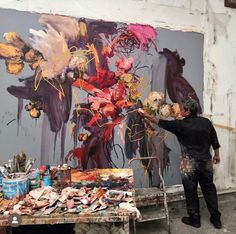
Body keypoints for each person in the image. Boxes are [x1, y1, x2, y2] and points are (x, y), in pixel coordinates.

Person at [157, 98, 222, 229]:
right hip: (205, 161)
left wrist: (146, 115)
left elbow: (158, 122)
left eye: (182, 109)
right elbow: (214, 139)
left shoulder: (179, 125)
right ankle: (216, 220)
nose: (180, 111)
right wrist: (217, 155)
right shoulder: (206, 122)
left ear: (186, 111)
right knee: (209, 188)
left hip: (188, 163)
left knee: (190, 191)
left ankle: (195, 220)